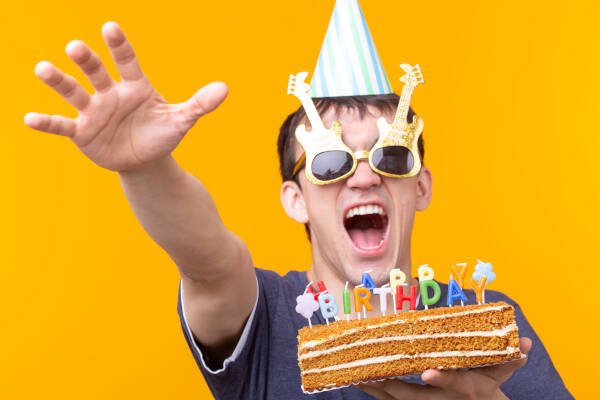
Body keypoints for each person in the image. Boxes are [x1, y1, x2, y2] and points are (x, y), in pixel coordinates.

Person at [25, 17, 572, 400]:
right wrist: (145, 169)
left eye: (391, 156)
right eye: (332, 164)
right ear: (296, 199)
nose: (364, 174)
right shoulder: (266, 316)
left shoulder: (482, 325)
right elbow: (208, 260)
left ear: (421, 187)